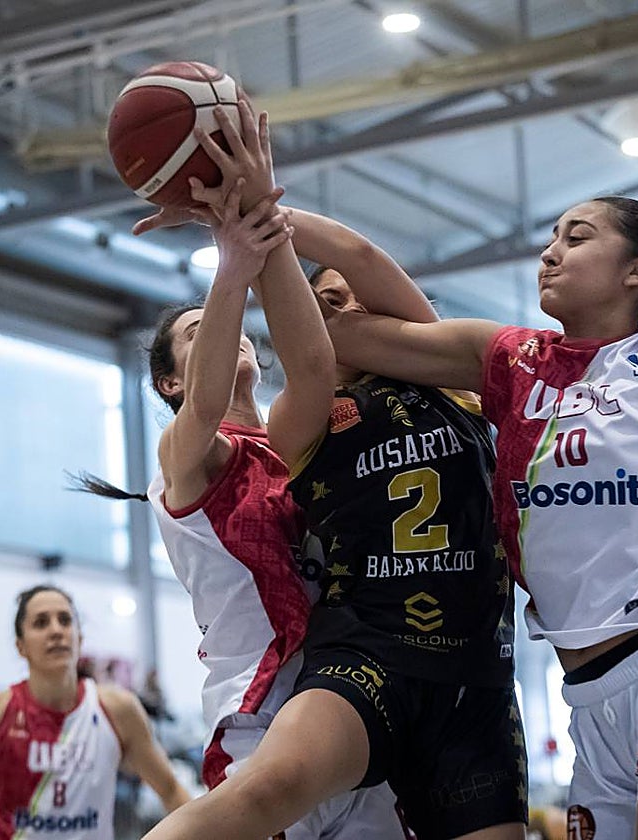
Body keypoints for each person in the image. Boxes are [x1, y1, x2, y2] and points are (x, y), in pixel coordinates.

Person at [302, 2, 638, 837]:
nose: (550, 250)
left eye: (576, 237)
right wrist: (257, 221)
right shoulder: (509, 359)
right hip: (587, 703)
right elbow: (348, 324)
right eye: (549, 238)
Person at [138, 102, 526, 840]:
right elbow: (292, 365)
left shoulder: (445, 376)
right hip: (307, 687)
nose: (337, 308)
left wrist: (258, 201)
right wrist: (237, 262)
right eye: (319, 305)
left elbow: (363, 261)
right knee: (255, 801)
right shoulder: (277, 431)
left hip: (451, 673)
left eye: (343, 297)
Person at [77, 144, 407, 837]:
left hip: (346, 694)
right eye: (199, 334)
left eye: (226, 326)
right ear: (169, 381)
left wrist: (263, 228)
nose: (225, 334)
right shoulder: (181, 456)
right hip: (260, 707)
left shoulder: (289, 444)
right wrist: (229, 272)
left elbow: (314, 367)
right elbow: (201, 410)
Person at [0, 585, 191, 840]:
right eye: (40, 623)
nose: (56, 630)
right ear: (20, 646)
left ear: (79, 639)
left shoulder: (119, 709)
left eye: (65, 620)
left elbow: (170, 790)